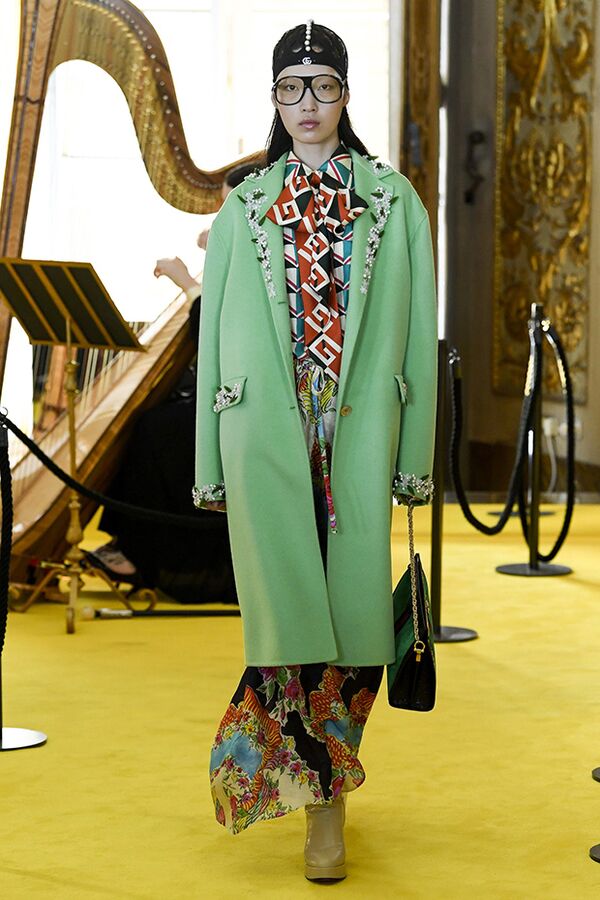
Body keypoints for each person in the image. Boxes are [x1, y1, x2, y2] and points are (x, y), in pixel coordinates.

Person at [193, 20, 437, 881]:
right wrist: (210, 463)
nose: (307, 104)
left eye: (323, 85)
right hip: (266, 433)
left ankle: (309, 784)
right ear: (274, 98)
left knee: (358, 625)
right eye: (291, 88)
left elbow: (418, 339)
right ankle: (319, 806)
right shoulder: (245, 204)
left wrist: (414, 459)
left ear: (345, 95)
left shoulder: (394, 201)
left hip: (358, 430)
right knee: (288, 617)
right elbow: (212, 343)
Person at [89, 164, 257, 599]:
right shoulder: (243, 247)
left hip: (258, 402)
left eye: (228, 206)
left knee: (154, 430)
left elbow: (217, 333)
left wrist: (188, 283)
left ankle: (142, 554)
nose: (220, 216)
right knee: (156, 423)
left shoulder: (266, 255)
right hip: (234, 392)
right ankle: (129, 545)